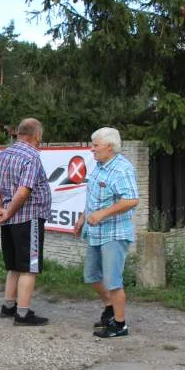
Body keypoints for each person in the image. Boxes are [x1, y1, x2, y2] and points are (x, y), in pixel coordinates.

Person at [73, 127, 139, 338]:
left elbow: (131, 199)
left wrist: (103, 214)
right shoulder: (100, 166)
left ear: (109, 147)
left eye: (95, 145)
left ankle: (120, 325)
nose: (92, 149)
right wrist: (83, 217)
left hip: (114, 233)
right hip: (95, 232)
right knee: (92, 275)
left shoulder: (122, 169)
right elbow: (93, 195)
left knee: (113, 281)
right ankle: (111, 309)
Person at [0, 117, 52, 326]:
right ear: (37, 136)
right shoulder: (31, 156)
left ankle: (8, 306)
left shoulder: (5, 153)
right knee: (29, 268)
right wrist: (9, 211)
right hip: (28, 218)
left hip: (9, 218)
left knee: (14, 265)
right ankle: (23, 314)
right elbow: (24, 192)